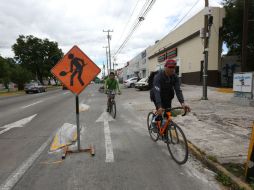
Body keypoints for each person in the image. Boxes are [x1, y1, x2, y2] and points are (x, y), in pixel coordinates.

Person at [150, 59, 190, 138]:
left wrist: (182, 103)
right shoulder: (158, 77)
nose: (172, 69)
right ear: (165, 67)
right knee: (160, 111)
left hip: (168, 96)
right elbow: (157, 92)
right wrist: (159, 106)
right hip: (156, 95)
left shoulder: (175, 77)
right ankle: (154, 122)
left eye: (174, 67)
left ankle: (165, 134)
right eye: (170, 67)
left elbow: (178, 90)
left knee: (167, 113)